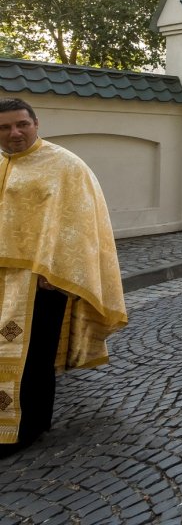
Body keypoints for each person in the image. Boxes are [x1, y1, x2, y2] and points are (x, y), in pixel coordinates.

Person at [0, 99, 127, 457]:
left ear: (36, 123)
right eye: (5, 127)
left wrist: (56, 271)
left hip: (41, 278)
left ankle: (28, 426)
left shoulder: (65, 165)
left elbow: (80, 222)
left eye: (22, 124)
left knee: (32, 356)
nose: (14, 133)